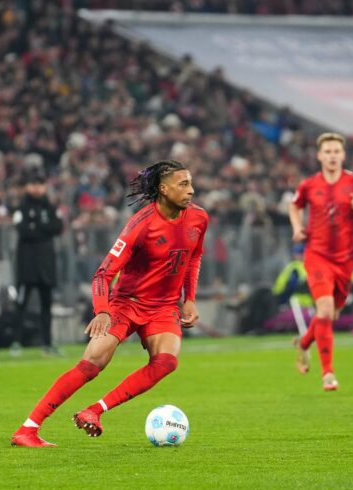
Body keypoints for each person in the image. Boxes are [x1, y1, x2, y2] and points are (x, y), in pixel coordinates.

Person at [11, 160, 208, 447]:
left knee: (166, 362)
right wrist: (102, 310)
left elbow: (194, 257)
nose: (191, 190)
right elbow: (103, 274)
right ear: (164, 190)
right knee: (92, 364)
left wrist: (189, 299)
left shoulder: (199, 218)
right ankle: (27, 429)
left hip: (163, 307)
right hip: (126, 303)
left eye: (190, 183)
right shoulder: (141, 225)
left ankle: (95, 410)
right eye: (184, 184)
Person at [289, 132, 353, 390]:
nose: (332, 156)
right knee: (325, 310)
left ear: (343, 155)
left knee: (331, 314)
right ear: (319, 156)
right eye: (327, 152)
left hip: (345, 260)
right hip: (317, 255)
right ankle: (328, 373)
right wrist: (297, 227)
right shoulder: (309, 185)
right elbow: (294, 205)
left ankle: (304, 343)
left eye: (336, 151)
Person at [11, 173, 64, 355]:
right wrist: (43, 228)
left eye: (40, 184)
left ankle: (47, 343)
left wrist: (36, 226)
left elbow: (58, 227)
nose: (36, 188)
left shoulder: (50, 207)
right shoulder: (21, 208)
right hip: (27, 265)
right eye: (33, 183)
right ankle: (16, 342)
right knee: (21, 304)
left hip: (45, 265)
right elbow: (23, 231)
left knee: (46, 306)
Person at [271, 243, 313, 308]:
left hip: (298, 301)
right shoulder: (293, 267)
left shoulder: (294, 267)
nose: (296, 255)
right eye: (296, 253)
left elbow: (290, 286)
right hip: (302, 301)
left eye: (298, 253)